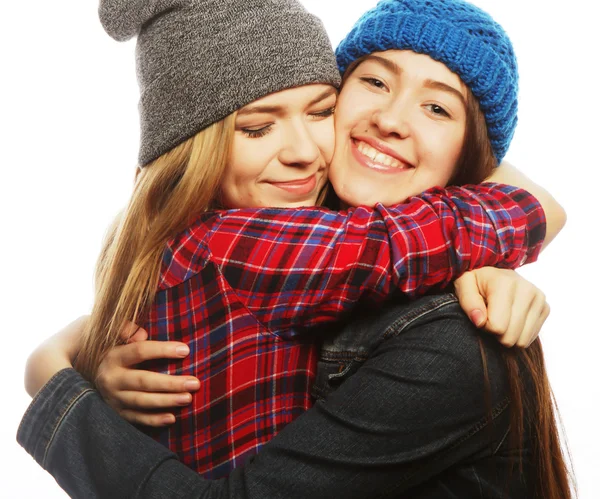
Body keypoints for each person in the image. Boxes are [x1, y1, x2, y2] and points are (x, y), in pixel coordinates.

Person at [18, 0, 569, 497]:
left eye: (439, 109)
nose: (390, 120)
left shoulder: (449, 336)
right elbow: (388, 246)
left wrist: (70, 358)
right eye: (375, 83)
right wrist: (59, 369)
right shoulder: (247, 242)